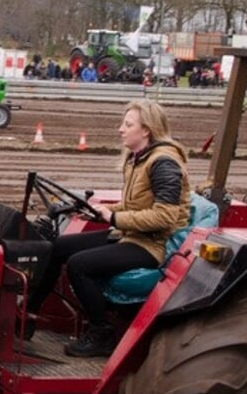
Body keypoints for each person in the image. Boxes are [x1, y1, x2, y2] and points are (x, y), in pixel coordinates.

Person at [27, 100, 191, 357]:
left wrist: (113, 218)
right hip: (130, 234)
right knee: (57, 247)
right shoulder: (138, 159)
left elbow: (165, 217)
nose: (120, 129)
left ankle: (101, 332)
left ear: (146, 130)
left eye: (128, 124)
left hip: (153, 244)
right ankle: (29, 313)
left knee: (80, 265)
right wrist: (100, 210)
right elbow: (133, 204)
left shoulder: (164, 163)